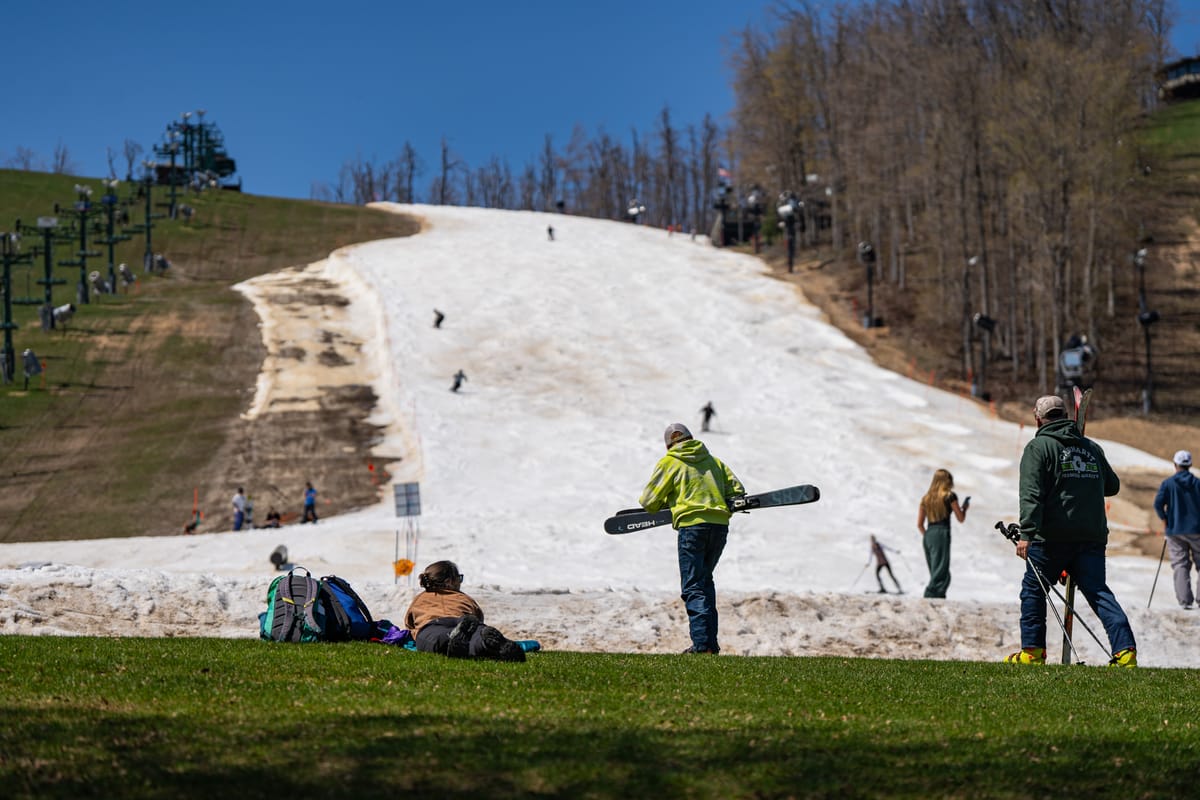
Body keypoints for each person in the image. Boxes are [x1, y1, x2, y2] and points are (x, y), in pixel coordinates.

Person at [1006, 395, 1137, 666]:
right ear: (1066, 415)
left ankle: (1032, 652)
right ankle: (1125, 652)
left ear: (1038, 418)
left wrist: (1027, 534)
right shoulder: (1090, 447)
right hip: (1090, 537)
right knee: (1098, 592)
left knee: (1033, 589)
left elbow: (1031, 494)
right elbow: (1111, 486)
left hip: (1051, 539)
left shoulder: (1038, 447)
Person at [640, 422, 745, 654]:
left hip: (692, 528)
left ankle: (703, 645)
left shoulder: (670, 462)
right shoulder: (714, 462)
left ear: (668, 445)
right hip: (719, 527)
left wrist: (672, 501)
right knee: (705, 583)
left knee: (693, 586)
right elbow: (737, 490)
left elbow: (649, 501)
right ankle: (709, 644)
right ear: (691, 438)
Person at [402, 560, 526, 662]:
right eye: (459, 578)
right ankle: (486, 644)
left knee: (435, 642)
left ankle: (452, 640)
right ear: (449, 582)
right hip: (463, 621)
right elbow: (478, 617)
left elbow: (409, 623)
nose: (460, 582)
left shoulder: (419, 599)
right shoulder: (464, 598)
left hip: (433, 625)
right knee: (475, 638)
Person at [1153, 450, 1200, 610]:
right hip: (1197, 530)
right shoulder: (1198, 483)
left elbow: (1158, 504)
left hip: (1174, 530)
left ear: (1175, 465)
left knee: (1180, 564)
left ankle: (1185, 601)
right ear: (1190, 465)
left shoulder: (1168, 484)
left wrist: (1165, 519)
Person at [916, 469, 968, 598]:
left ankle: (936, 596)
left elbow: (919, 524)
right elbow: (960, 518)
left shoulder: (926, 498)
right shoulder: (949, 496)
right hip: (942, 532)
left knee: (935, 569)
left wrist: (928, 536)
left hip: (929, 533)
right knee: (941, 571)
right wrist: (965, 508)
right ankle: (931, 596)